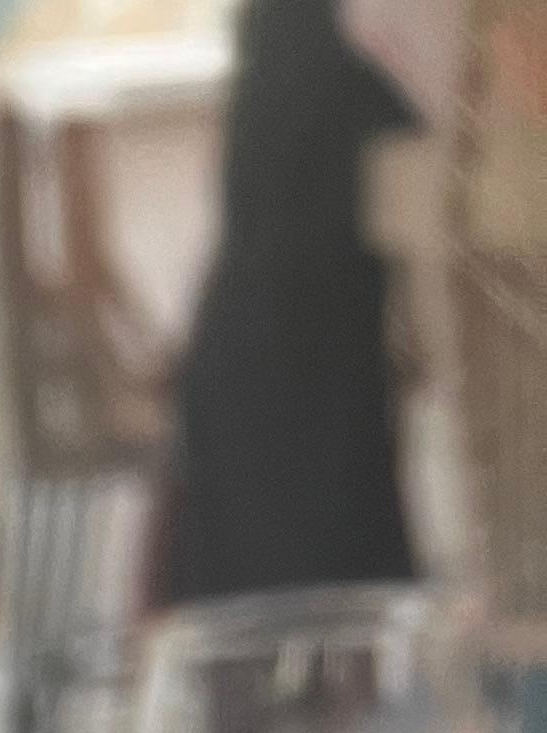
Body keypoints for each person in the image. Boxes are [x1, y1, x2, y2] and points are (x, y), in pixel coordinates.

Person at [161, 0, 426, 601]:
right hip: (323, 359)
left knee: (252, 570)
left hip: (241, 357)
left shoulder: (255, 100)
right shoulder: (357, 93)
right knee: (337, 566)